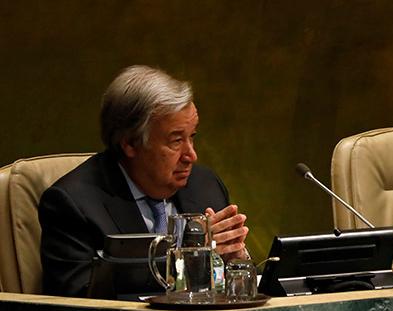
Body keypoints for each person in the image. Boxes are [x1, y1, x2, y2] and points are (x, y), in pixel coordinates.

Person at [39, 65, 250, 295]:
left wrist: (236, 259)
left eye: (192, 137)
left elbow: (239, 287)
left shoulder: (204, 185)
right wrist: (189, 260)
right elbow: (78, 304)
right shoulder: (73, 204)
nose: (192, 156)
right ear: (130, 142)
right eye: (176, 141)